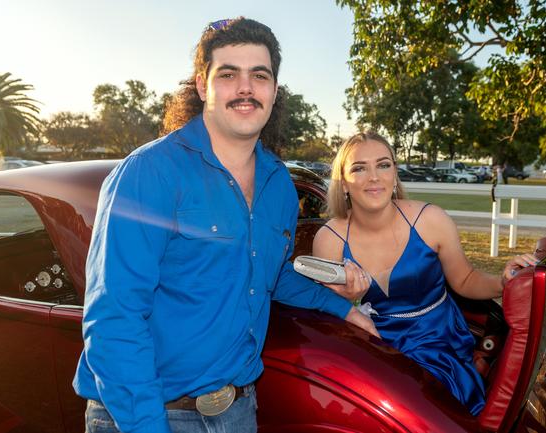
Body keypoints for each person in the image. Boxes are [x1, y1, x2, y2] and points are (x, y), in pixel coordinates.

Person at [73, 18, 376, 433]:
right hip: (146, 413)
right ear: (202, 86)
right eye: (228, 74)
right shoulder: (148, 174)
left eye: (260, 75)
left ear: (273, 91)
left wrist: (341, 307)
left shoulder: (279, 186)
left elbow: (270, 274)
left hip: (236, 410)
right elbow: (114, 317)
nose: (246, 87)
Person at [312, 131, 538, 415]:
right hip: (372, 347)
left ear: (395, 174)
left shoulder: (430, 220)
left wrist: (503, 282)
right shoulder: (329, 239)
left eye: (383, 165)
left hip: (438, 340)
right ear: (343, 182)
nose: (374, 176)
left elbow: (465, 280)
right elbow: (326, 316)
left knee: (438, 413)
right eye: (359, 168)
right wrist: (352, 301)